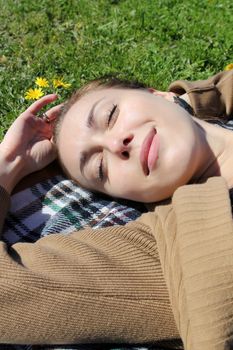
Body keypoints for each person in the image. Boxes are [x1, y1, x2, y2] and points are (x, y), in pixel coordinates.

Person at [0, 70, 233, 350]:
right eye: (99, 167)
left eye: (110, 115)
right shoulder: (171, 247)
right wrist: (8, 164)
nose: (114, 145)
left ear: (161, 96)